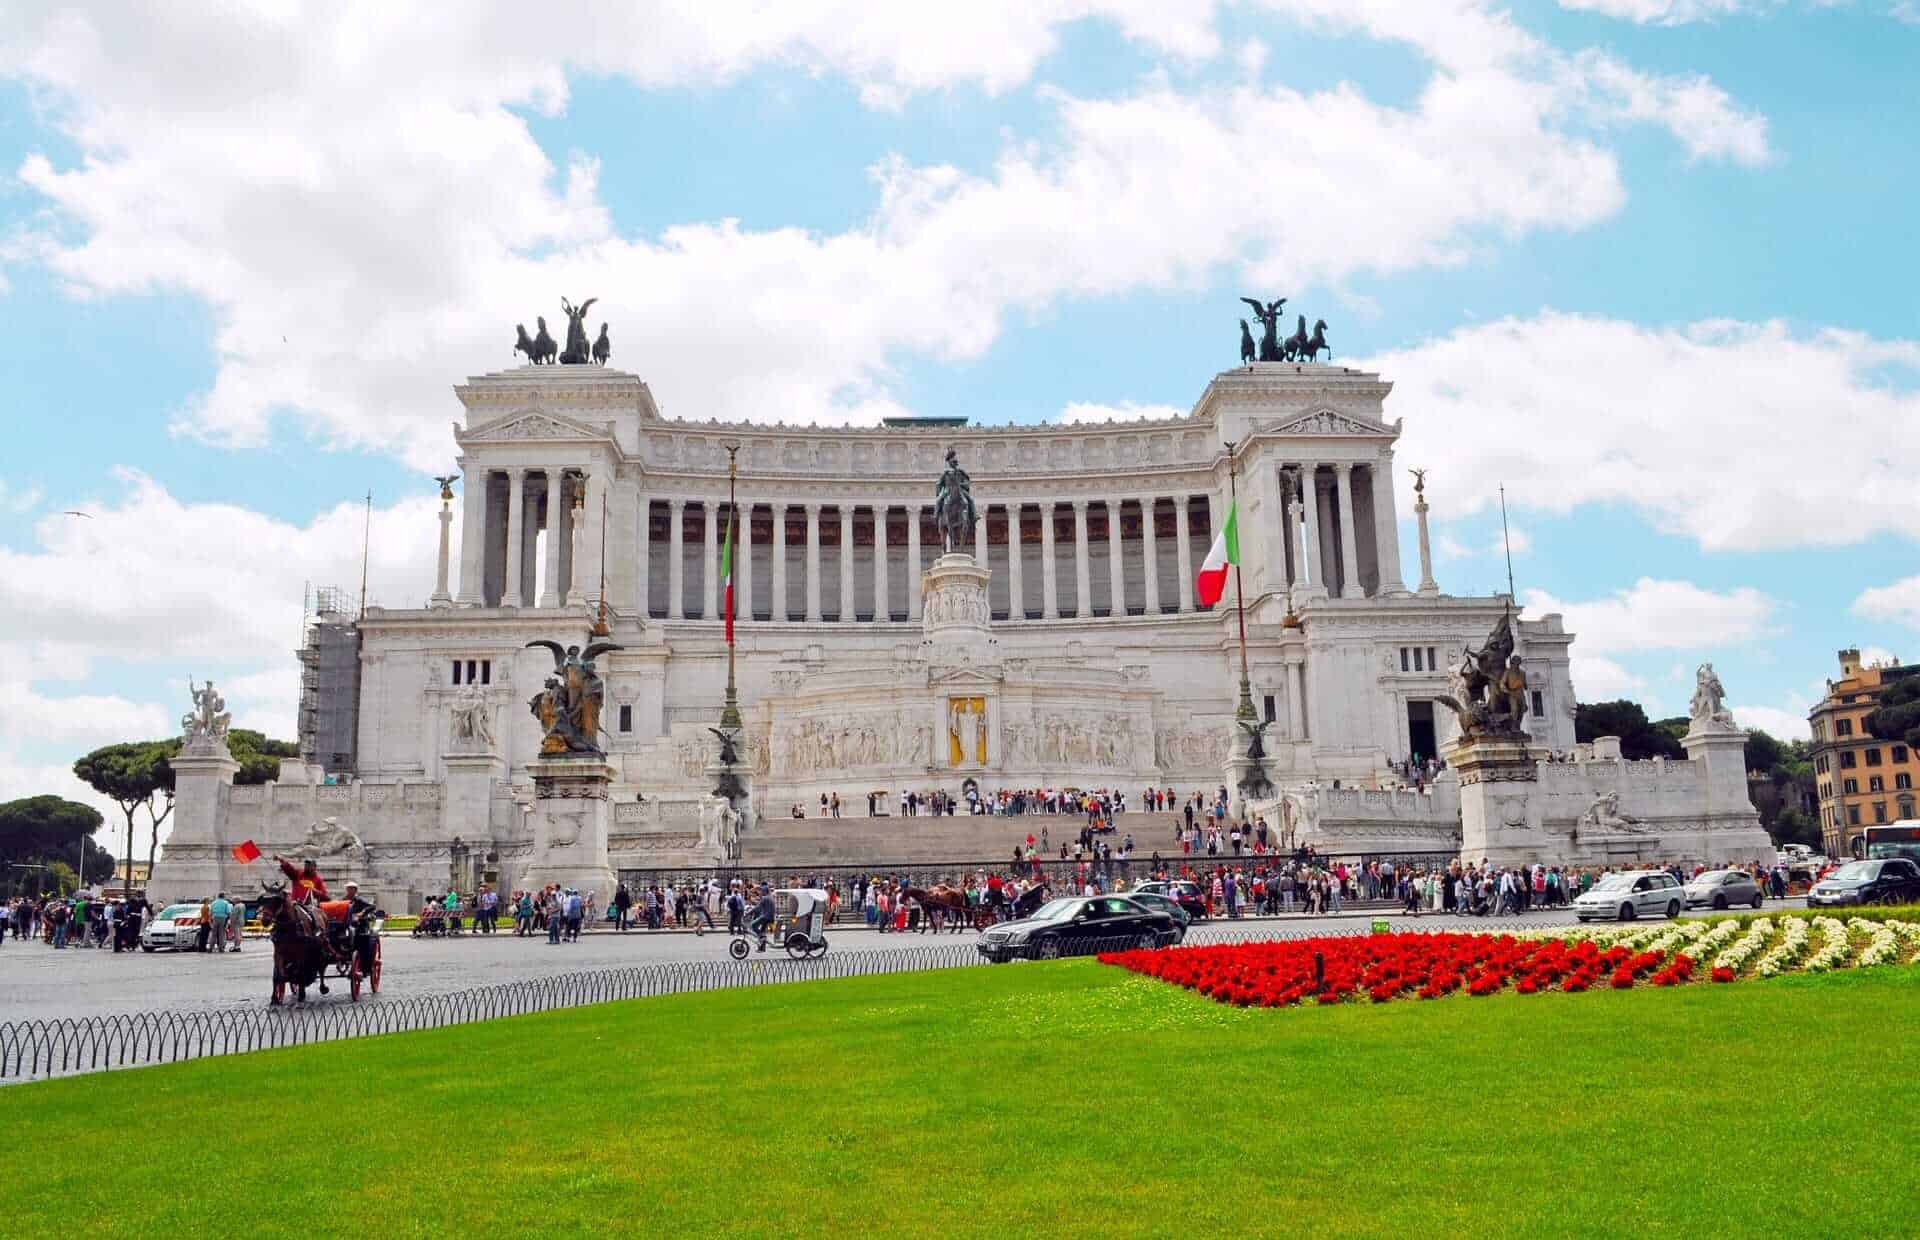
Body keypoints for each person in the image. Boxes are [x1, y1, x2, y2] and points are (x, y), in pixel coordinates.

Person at [749, 884, 776, 952]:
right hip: (770, 917)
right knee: (762, 932)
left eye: (761, 891)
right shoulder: (770, 897)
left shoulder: (765, 898)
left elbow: (758, 907)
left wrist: (749, 912)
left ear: (764, 891)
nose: (760, 892)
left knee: (753, 925)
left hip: (765, 917)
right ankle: (762, 948)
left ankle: (762, 937)